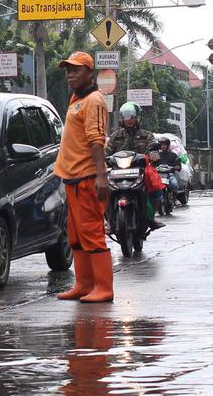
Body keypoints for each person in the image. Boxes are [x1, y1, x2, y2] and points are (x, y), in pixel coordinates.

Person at [54, 51, 114, 303]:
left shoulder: (94, 100)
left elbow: (96, 140)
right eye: (68, 70)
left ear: (90, 73)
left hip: (87, 177)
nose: (71, 74)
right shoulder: (76, 98)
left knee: (92, 233)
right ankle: (84, 284)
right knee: (76, 236)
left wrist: (101, 176)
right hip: (72, 178)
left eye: (76, 69)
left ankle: (103, 287)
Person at [106, 102, 166, 231]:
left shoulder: (147, 135)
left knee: (156, 188)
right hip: (118, 172)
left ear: (138, 117)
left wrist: (154, 155)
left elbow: (153, 151)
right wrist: (100, 158)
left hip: (140, 171)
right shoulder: (115, 136)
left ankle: (151, 217)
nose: (128, 120)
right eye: (126, 117)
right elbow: (106, 152)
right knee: (103, 189)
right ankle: (110, 221)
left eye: (131, 116)